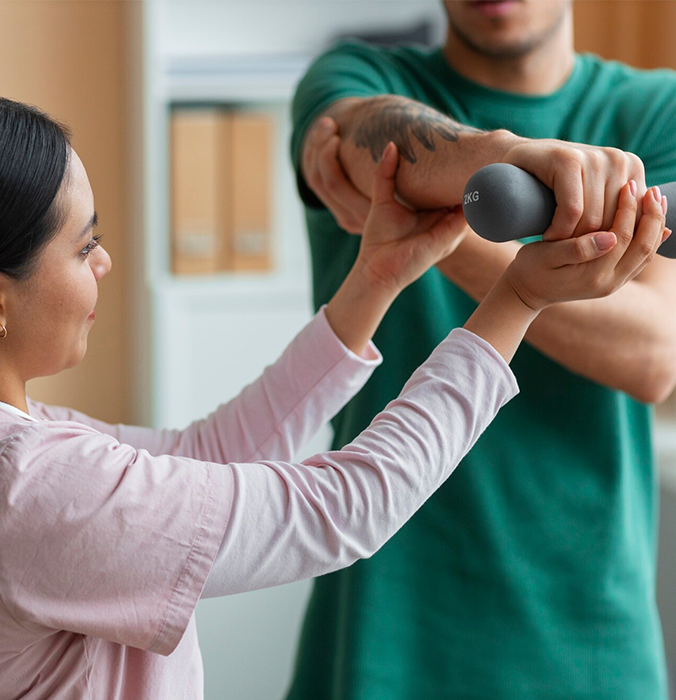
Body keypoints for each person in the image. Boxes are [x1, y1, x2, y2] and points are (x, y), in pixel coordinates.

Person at [0, 95, 663, 698]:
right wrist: (517, 299)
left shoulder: (18, 450)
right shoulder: (28, 487)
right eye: (84, 246)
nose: (104, 262)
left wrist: (376, 277)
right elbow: (344, 505)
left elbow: (208, 453)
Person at [286, 1, 676, 699]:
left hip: (588, 646)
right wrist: (509, 163)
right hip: (384, 634)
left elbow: (652, 355)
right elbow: (358, 137)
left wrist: (429, 220)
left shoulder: (655, 108)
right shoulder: (353, 73)